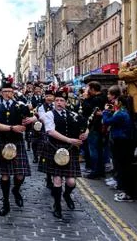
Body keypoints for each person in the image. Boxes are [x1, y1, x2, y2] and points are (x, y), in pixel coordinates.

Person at [0, 76, 31, 216]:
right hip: (3, 142)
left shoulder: (21, 105)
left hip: (17, 142)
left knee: (20, 175)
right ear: (1, 93)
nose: (8, 93)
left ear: (13, 92)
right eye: (5, 91)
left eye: (10, 91)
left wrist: (30, 119)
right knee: (5, 175)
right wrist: (13, 128)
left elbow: (32, 117)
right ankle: (6, 203)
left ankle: (16, 190)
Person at [39, 90, 84, 219]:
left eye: (62, 101)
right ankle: (57, 205)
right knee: (57, 179)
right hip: (55, 148)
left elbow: (83, 126)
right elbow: (50, 131)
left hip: (70, 150)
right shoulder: (49, 114)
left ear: (66, 102)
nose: (59, 103)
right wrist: (70, 140)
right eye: (57, 100)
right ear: (54, 102)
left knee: (71, 182)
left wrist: (84, 134)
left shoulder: (73, 114)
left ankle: (67, 195)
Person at [102, 96, 133, 202]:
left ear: (120, 102)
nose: (113, 102)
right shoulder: (123, 112)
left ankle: (126, 192)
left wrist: (106, 111)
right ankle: (122, 188)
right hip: (123, 141)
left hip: (121, 142)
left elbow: (107, 121)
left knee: (122, 166)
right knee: (121, 166)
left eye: (115, 101)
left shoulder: (121, 113)